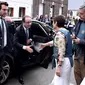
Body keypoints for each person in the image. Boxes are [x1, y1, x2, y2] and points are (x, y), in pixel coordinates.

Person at [40, 15, 73, 85]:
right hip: (68, 60)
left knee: (60, 82)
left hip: (64, 61)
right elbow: (58, 43)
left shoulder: (60, 34)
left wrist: (59, 66)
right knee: (63, 81)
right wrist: (45, 44)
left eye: (53, 22)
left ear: (56, 23)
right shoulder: (65, 31)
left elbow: (61, 51)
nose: (52, 23)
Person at [14, 15, 33, 85]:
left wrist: (30, 39)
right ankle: (19, 77)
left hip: (26, 48)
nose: (30, 24)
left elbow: (31, 36)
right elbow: (15, 43)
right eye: (28, 22)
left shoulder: (30, 28)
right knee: (19, 65)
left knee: (24, 63)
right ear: (23, 22)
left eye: (30, 22)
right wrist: (25, 47)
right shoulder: (18, 30)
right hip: (19, 50)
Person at [72, 4, 85, 85]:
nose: (79, 15)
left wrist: (80, 41)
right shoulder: (79, 22)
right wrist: (73, 35)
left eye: (82, 13)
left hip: (84, 56)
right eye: (79, 13)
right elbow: (75, 31)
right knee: (77, 75)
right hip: (77, 53)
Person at [0, 1, 9, 84]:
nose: (6, 12)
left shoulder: (5, 21)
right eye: (4, 9)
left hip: (3, 50)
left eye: (7, 10)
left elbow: (7, 35)